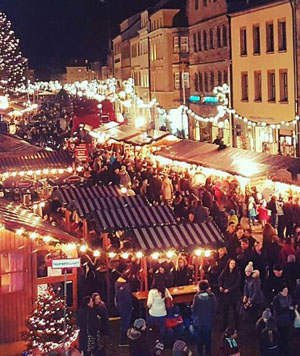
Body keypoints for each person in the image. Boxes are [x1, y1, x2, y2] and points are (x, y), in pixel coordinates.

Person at [192, 280, 217, 356]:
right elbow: (215, 308)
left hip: (199, 320)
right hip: (209, 320)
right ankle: (208, 352)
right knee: (208, 337)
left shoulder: (197, 297)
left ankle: (199, 352)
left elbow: (194, 309)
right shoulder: (212, 296)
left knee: (199, 337)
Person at [147, 276, 172, 341]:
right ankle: (161, 341)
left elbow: (149, 303)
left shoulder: (152, 292)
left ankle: (153, 341)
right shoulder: (165, 290)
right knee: (162, 328)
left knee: (152, 328)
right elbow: (170, 299)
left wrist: (149, 308)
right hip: (162, 312)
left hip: (153, 313)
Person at [218, 259, 241, 330]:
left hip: (233, 294)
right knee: (225, 311)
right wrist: (220, 286)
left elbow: (237, 283)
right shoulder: (225, 271)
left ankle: (236, 326)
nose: (232, 265)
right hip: (226, 294)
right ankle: (224, 326)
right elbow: (220, 278)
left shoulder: (237, 273)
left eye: (234, 264)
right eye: (231, 263)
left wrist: (229, 289)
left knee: (235, 311)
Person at [272, 285, 294, 356]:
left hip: (287, 320)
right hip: (280, 321)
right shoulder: (276, 299)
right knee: (282, 336)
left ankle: (286, 349)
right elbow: (278, 310)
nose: (286, 292)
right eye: (285, 290)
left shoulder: (288, 297)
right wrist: (288, 308)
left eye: (287, 290)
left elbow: (292, 302)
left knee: (287, 336)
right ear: (281, 291)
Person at [115, 270, 134, 346]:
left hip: (120, 305)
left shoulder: (117, 283)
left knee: (123, 322)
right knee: (126, 323)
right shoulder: (126, 286)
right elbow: (128, 298)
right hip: (126, 306)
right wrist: (132, 306)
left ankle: (124, 339)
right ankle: (123, 341)